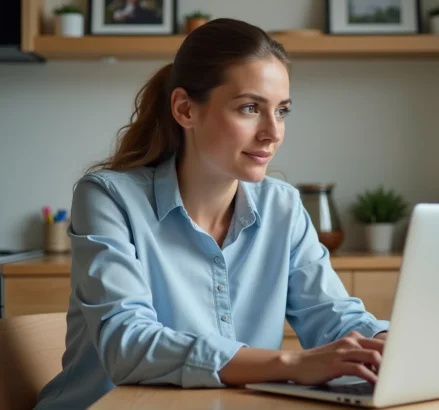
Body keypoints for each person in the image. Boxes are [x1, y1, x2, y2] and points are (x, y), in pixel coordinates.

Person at [35, 18, 389, 409]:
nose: (272, 132)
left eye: (282, 111)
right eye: (250, 108)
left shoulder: (282, 207)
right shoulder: (108, 198)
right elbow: (129, 345)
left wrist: (388, 345)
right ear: (185, 109)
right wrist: (291, 363)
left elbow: (334, 317)